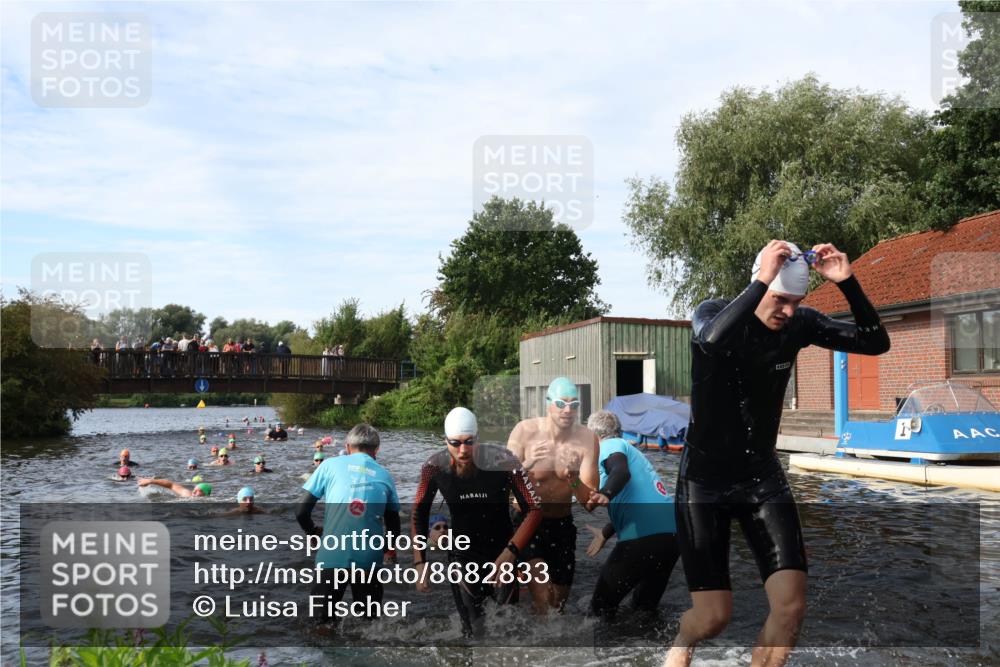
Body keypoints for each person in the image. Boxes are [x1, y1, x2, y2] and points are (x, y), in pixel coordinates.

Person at [664, 241, 890, 667]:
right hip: (705, 480)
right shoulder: (712, 312)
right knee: (713, 618)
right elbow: (711, 343)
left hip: (761, 476)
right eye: (780, 300)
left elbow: (875, 343)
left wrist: (847, 282)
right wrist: (763, 280)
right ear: (759, 283)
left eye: (796, 302)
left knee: (790, 608)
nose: (787, 311)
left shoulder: (799, 325)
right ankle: (683, 637)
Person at [413, 407, 543, 637]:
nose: (463, 450)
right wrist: (420, 563)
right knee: (474, 631)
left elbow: (534, 508)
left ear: (478, 439)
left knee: (505, 630)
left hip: (502, 552)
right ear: (445, 441)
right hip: (463, 556)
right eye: (455, 443)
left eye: (469, 442)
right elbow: (418, 514)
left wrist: (511, 552)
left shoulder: (503, 460)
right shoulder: (433, 467)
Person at [506, 377, 600, 614]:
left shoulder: (587, 439)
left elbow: (589, 503)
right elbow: (502, 481)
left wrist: (573, 478)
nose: (567, 410)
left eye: (574, 405)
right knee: (541, 593)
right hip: (527, 521)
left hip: (561, 524)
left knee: (558, 604)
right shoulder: (524, 431)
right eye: (561, 403)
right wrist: (527, 463)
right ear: (548, 403)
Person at [296, 423, 401, 625]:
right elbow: (394, 529)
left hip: (332, 554)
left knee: (320, 625)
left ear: (347, 446)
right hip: (368, 558)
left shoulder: (328, 465)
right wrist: (386, 550)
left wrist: (314, 531)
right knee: (369, 626)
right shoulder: (385, 475)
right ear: (376, 450)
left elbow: (301, 512)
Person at [584, 410, 679, 619]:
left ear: (593, 436)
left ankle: (605, 651)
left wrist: (605, 493)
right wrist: (606, 532)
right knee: (643, 609)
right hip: (672, 536)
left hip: (644, 536)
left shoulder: (608, 446)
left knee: (599, 610)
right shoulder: (635, 453)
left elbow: (620, 472)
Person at [138, 478, 212, 497]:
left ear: (205, 494)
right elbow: (171, 485)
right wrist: (150, 481)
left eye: (198, 490)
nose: (193, 492)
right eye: (194, 489)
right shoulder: (188, 494)